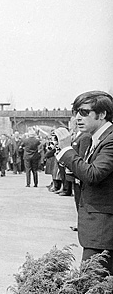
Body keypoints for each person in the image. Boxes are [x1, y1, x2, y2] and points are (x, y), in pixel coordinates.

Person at [55, 91, 113, 274]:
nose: (77, 117)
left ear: (102, 114)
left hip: (103, 230)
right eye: (75, 112)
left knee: (93, 288)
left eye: (84, 112)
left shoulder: (110, 140)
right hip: (97, 228)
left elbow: (94, 174)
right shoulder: (95, 138)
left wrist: (66, 149)